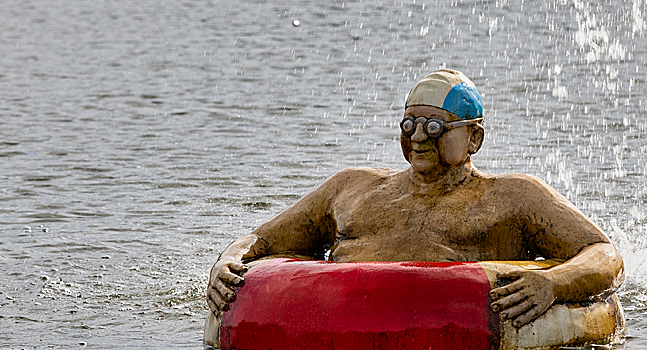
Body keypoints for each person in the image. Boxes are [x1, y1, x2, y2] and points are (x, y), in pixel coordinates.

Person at [206, 69, 624, 328]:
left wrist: (552, 283)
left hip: (455, 337)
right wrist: (227, 260)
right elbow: (260, 241)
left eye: (435, 127)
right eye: (410, 124)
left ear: (473, 136)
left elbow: (603, 253)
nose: (419, 136)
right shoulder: (351, 187)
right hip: (345, 339)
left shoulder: (512, 197)